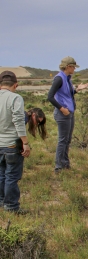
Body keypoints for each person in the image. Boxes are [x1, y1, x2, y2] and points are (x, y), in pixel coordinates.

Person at [48, 56, 88, 173]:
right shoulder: (59, 79)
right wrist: (61, 109)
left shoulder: (67, 78)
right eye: (73, 67)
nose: (74, 69)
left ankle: (65, 164)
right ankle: (58, 167)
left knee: (67, 140)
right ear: (68, 67)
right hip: (63, 114)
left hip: (69, 113)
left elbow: (67, 94)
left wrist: (77, 90)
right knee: (62, 140)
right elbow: (50, 96)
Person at [0, 71, 31, 214]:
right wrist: (25, 142)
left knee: (1, 175)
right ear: (15, 84)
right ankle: (11, 207)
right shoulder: (15, 98)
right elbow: (18, 121)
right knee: (12, 176)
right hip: (11, 144)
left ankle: (1, 202)